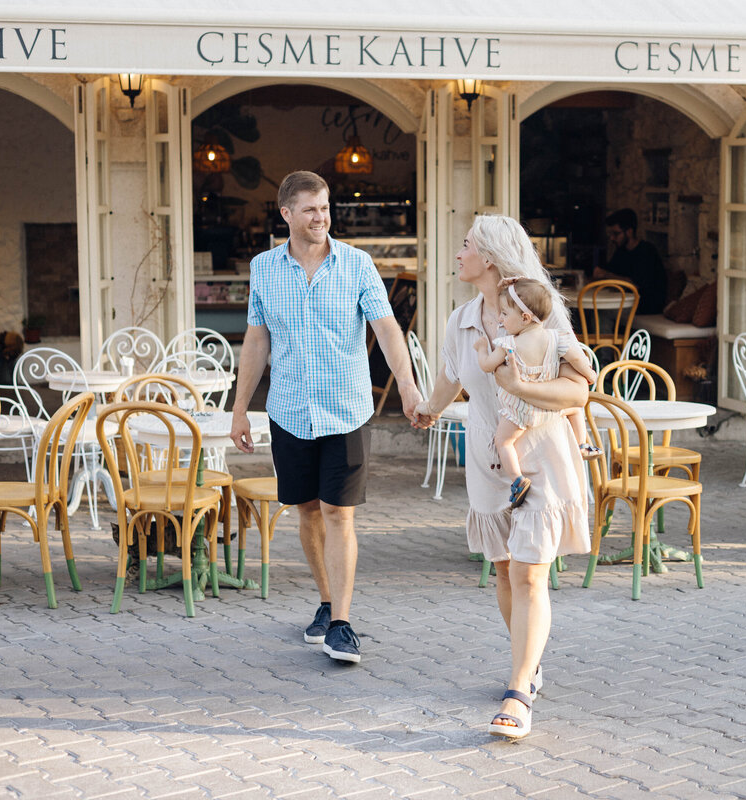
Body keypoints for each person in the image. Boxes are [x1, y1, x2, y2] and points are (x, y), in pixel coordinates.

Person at [229, 170, 421, 666]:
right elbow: (256, 340)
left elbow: (388, 329)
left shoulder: (357, 265)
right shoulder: (264, 269)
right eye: (310, 209)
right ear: (286, 214)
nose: (321, 217)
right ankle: (326, 601)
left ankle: (341, 623)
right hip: (289, 410)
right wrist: (239, 409)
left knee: (339, 512)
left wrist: (408, 385)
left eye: (326, 207)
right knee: (308, 510)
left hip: (346, 410)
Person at [414, 215, 591, 740]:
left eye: (466, 245)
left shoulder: (544, 312)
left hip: (540, 456)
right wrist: (427, 407)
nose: (459, 252)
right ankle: (529, 664)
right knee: (505, 570)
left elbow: (578, 393)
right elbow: (452, 375)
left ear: (489, 258)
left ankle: (517, 692)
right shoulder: (462, 318)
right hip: (488, 464)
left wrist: (517, 386)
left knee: (530, 574)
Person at [474, 276, 600, 508]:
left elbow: (487, 365)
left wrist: (482, 348)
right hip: (549, 408)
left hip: (520, 411)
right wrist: (591, 376)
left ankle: (517, 479)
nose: (500, 318)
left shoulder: (508, 344)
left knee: (503, 442)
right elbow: (578, 360)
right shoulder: (557, 338)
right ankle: (581, 444)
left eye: (504, 314)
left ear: (524, 317)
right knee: (575, 408)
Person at [593, 208, 667, 314]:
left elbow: (635, 284)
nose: (612, 238)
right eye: (611, 234)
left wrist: (606, 275)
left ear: (629, 232)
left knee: (602, 312)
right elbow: (611, 270)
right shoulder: (621, 250)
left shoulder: (646, 251)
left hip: (646, 305)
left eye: (616, 234)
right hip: (625, 301)